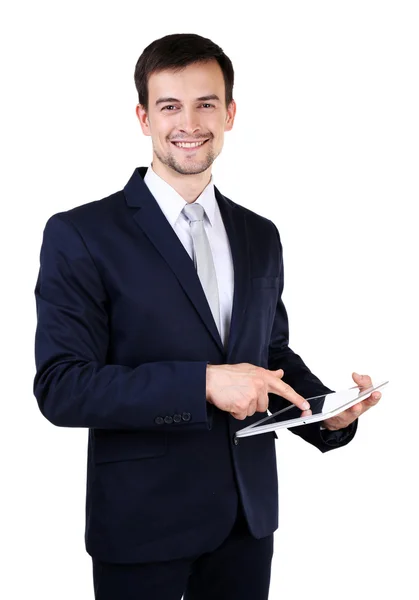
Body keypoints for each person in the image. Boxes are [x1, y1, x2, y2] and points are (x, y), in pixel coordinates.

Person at [33, 33, 382, 600]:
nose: (189, 122)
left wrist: (325, 413)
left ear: (231, 113)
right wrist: (201, 385)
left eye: (206, 104)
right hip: (143, 524)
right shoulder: (81, 234)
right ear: (144, 117)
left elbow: (268, 355)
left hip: (246, 523)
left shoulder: (258, 233)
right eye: (170, 106)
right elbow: (62, 386)